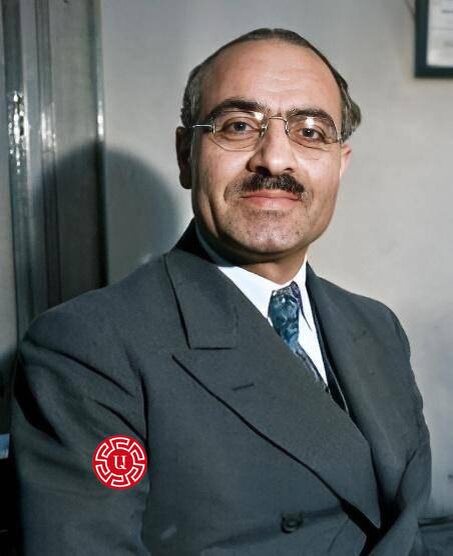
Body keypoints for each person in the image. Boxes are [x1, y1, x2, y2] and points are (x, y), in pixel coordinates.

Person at [11, 28, 431, 555]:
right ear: (186, 155)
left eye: (310, 131)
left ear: (339, 164)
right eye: (238, 126)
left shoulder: (377, 327)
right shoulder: (88, 348)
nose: (275, 159)